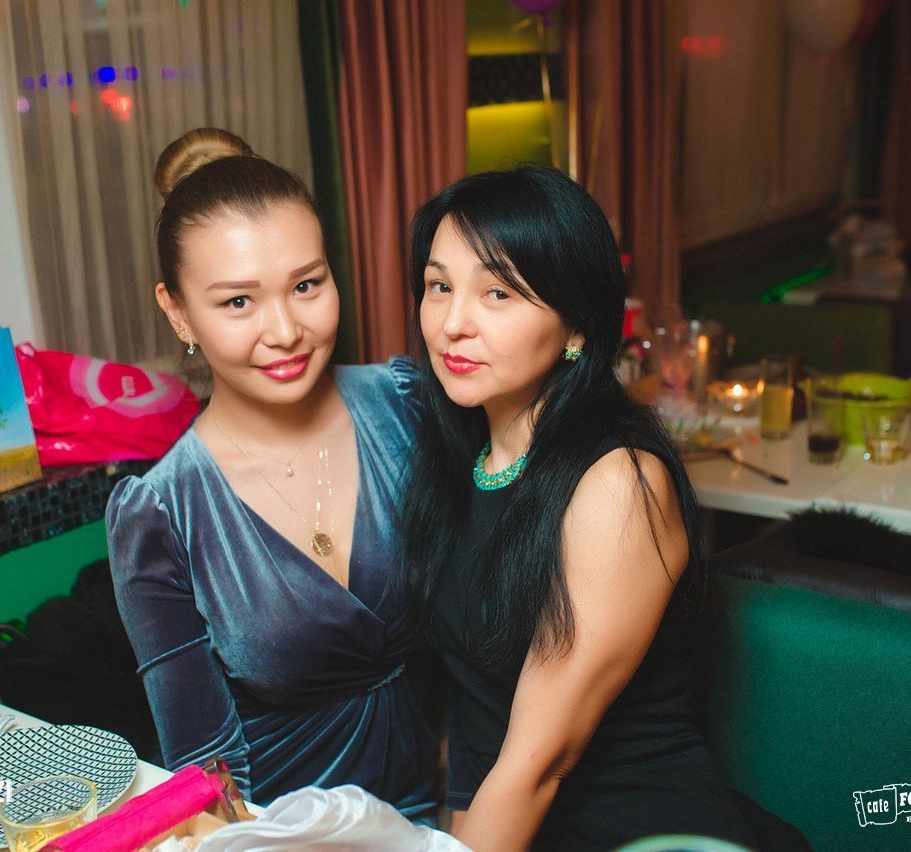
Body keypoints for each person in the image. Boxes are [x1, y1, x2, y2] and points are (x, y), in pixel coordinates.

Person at [400, 166, 801, 850]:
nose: (452, 324)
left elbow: (538, 763)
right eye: (440, 287)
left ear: (578, 328)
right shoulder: (459, 454)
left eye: (497, 293)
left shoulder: (620, 483)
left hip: (643, 835)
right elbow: (476, 722)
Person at [106, 128, 435, 817]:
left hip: (463, 810)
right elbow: (209, 777)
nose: (285, 331)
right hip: (289, 833)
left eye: (306, 285)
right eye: (238, 302)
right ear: (177, 312)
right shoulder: (162, 513)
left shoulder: (406, 405)